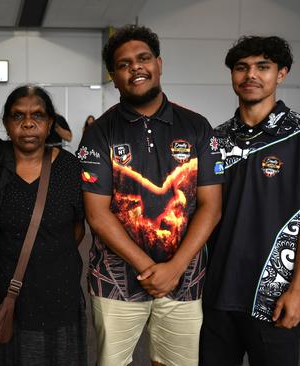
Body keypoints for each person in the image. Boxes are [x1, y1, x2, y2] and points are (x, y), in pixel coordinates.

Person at [78, 25, 223, 366]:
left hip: (185, 280)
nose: (136, 68)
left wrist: (175, 268)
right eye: (124, 64)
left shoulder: (198, 126)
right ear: (114, 76)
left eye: (143, 58)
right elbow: (97, 215)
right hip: (115, 282)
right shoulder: (98, 134)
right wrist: (150, 269)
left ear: (159, 63)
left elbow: (211, 207)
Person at [200, 36, 300, 366]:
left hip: (273, 295)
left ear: (281, 74)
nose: (251, 75)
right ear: (232, 75)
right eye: (242, 67)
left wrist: (299, 291)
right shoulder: (214, 139)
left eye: (263, 67)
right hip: (216, 292)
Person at [0, 85, 87, 366]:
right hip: (4, 296)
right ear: (5, 123)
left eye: (37, 116)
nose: (28, 123)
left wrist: (46, 254)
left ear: (50, 123)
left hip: (57, 293)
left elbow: (77, 229)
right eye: (18, 116)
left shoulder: (69, 168)